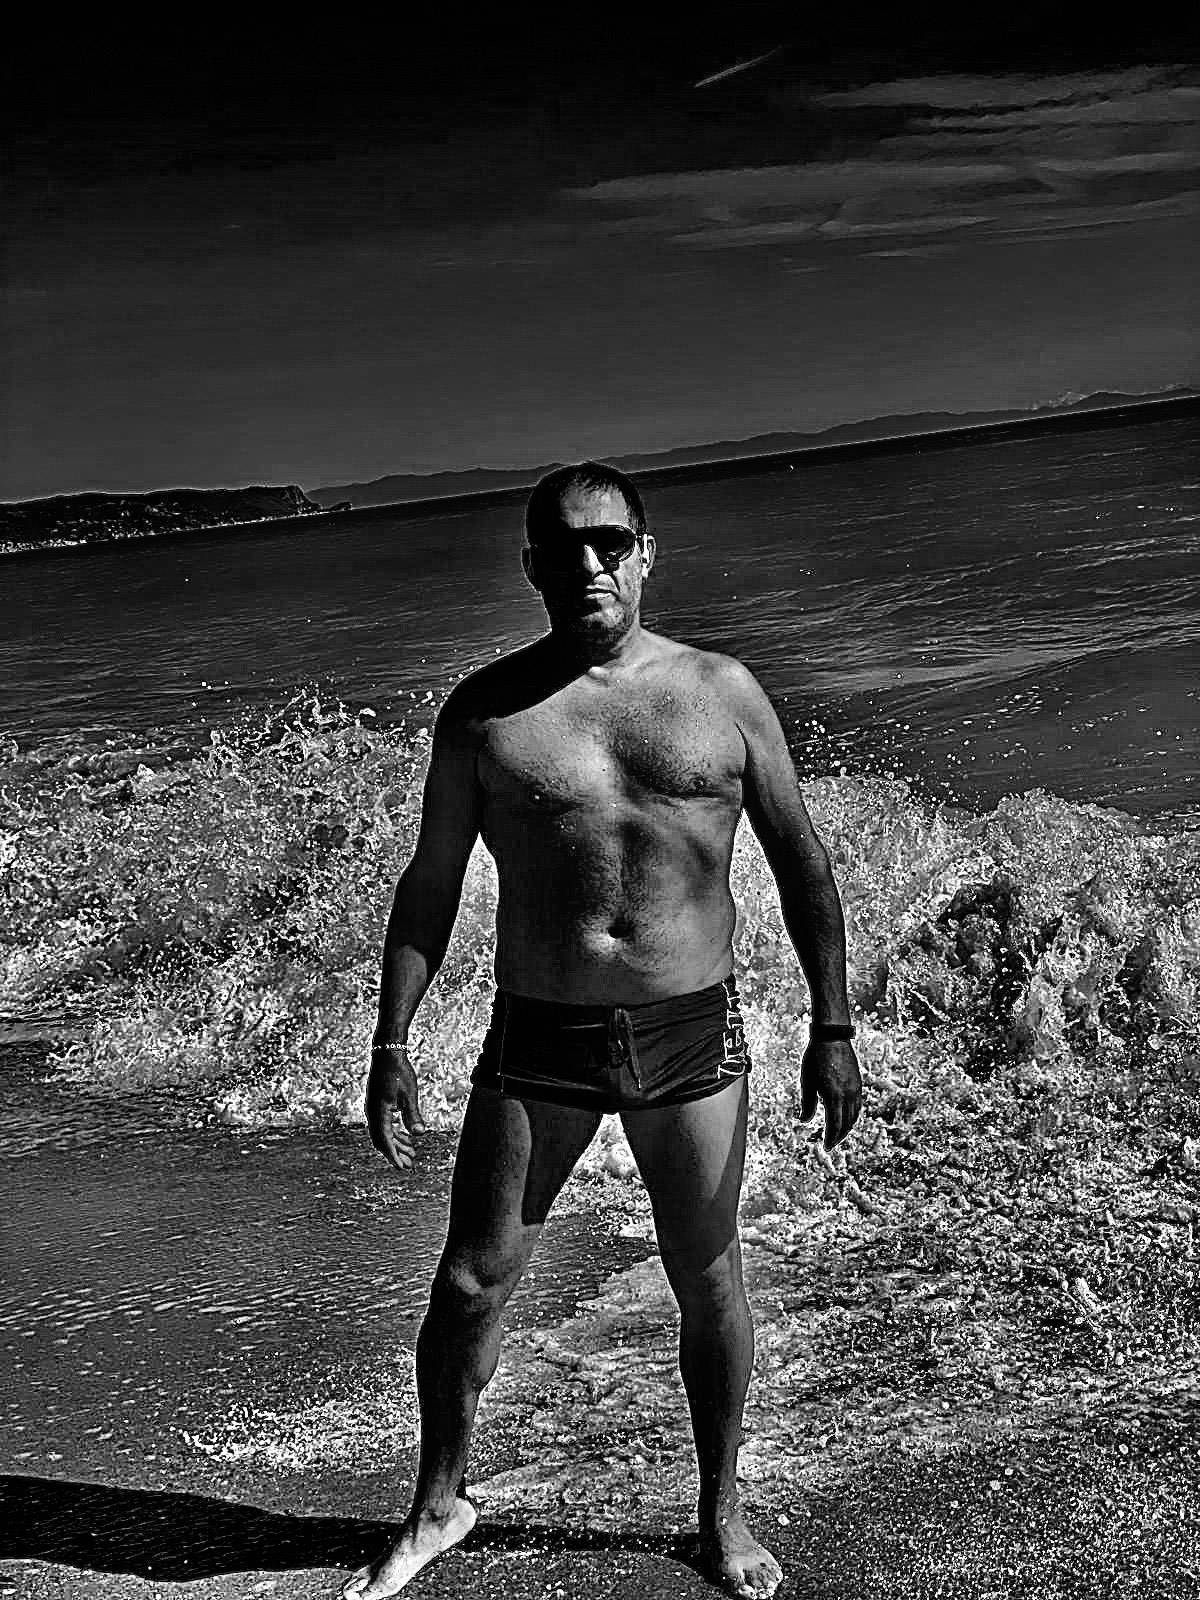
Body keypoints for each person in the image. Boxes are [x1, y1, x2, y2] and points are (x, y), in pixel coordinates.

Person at [343, 462, 861, 1600]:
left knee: (708, 1276)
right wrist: (390, 1042)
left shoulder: (724, 692)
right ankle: (438, 1504)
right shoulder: (486, 714)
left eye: (611, 542)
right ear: (532, 564)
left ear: (645, 552)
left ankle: (720, 1515)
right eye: (565, 547)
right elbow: (430, 883)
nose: (590, 564)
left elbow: (802, 860)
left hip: (690, 1034)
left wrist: (834, 1025)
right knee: (471, 1283)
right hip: (540, 1039)